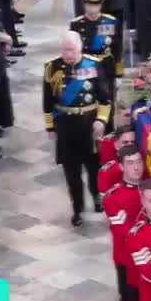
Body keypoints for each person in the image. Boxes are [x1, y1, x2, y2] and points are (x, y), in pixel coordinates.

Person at [42, 31, 111, 226]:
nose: (67, 53)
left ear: (80, 48)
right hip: (65, 125)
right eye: (64, 49)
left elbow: (105, 99)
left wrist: (101, 120)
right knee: (71, 171)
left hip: (89, 124)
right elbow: (48, 100)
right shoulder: (52, 68)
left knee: (93, 166)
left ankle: (97, 197)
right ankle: (77, 207)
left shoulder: (94, 65)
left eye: (71, 49)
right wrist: (50, 126)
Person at [102, 144, 144, 301]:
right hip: (127, 262)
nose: (136, 168)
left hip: (150, 261)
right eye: (130, 163)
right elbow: (125, 234)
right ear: (121, 166)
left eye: (139, 162)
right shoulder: (114, 196)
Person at [70, 0, 122, 87]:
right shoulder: (76, 24)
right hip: (85, 65)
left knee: (108, 96)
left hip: (106, 65)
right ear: (84, 4)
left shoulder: (111, 22)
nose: (92, 8)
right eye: (89, 4)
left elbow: (117, 47)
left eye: (96, 5)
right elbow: (72, 48)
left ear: (101, 5)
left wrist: (118, 72)